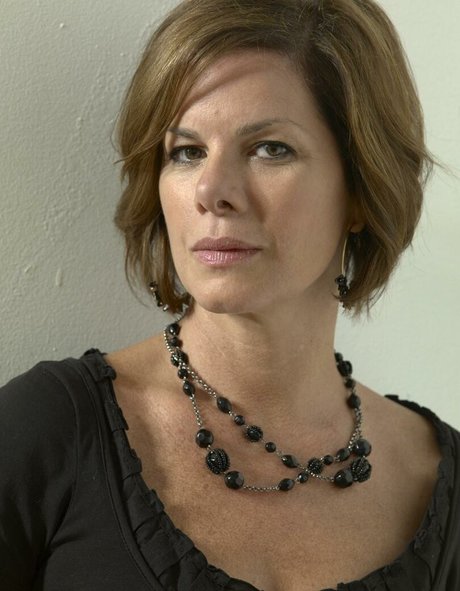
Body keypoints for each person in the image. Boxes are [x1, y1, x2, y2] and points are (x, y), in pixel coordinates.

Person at [1, 0, 459, 589]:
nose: (211, 190)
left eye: (270, 148)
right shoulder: (45, 432)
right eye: (187, 152)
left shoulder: (437, 478)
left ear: (361, 191)